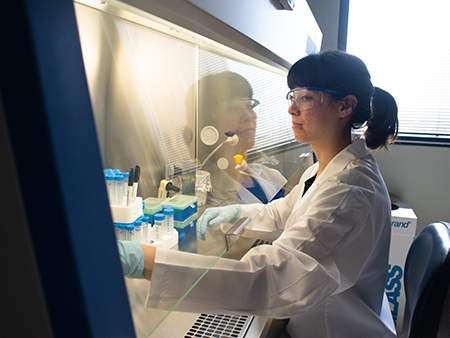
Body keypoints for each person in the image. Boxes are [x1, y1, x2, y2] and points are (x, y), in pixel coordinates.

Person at [119, 50, 399, 337]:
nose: (292, 109)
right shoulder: (330, 166)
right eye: (293, 96)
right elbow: (287, 210)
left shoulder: (349, 189)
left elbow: (271, 279)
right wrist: (235, 213)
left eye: (307, 98)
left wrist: (148, 261)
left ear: (345, 107)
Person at [183, 71, 287, 206]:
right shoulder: (206, 198)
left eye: (249, 106)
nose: (248, 116)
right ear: (207, 127)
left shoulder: (271, 176)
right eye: (231, 109)